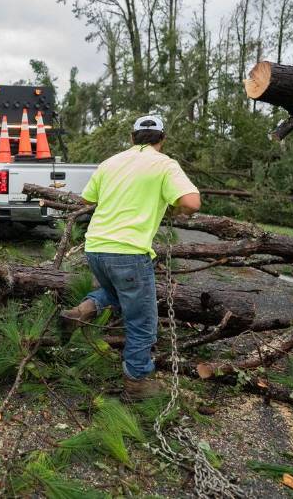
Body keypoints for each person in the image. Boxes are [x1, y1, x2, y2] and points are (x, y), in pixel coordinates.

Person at [60, 115, 201, 400]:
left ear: (131, 137)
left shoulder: (110, 163)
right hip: (129, 254)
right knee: (142, 322)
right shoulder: (164, 164)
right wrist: (175, 209)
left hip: (96, 248)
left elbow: (87, 201)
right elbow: (191, 202)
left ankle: (82, 311)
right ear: (162, 139)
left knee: (114, 292)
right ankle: (137, 383)